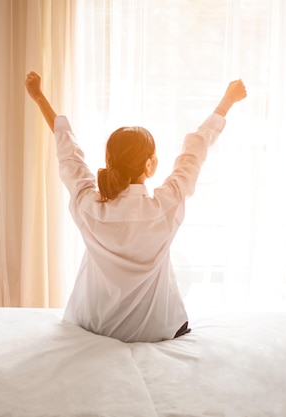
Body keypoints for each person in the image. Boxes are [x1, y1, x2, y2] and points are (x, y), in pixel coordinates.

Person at [25, 71, 247, 343]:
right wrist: (227, 101)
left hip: (96, 326)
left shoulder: (88, 206)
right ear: (150, 165)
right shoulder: (166, 204)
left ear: (109, 161)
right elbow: (195, 150)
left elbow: (68, 151)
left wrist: (39, 97)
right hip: (158, 329)